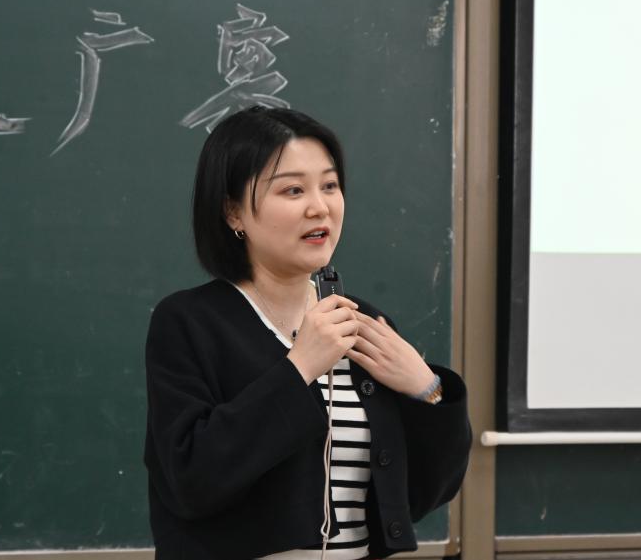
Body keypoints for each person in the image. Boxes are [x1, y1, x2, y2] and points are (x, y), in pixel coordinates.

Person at [144, 106, 471, 560]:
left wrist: (427, 390)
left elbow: (421, 496)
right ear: (233, 211)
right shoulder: (189, 322)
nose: (320, 207)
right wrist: (299, 368)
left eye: (330, 186)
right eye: (293, 190)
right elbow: (191, 482)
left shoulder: (361, 323)